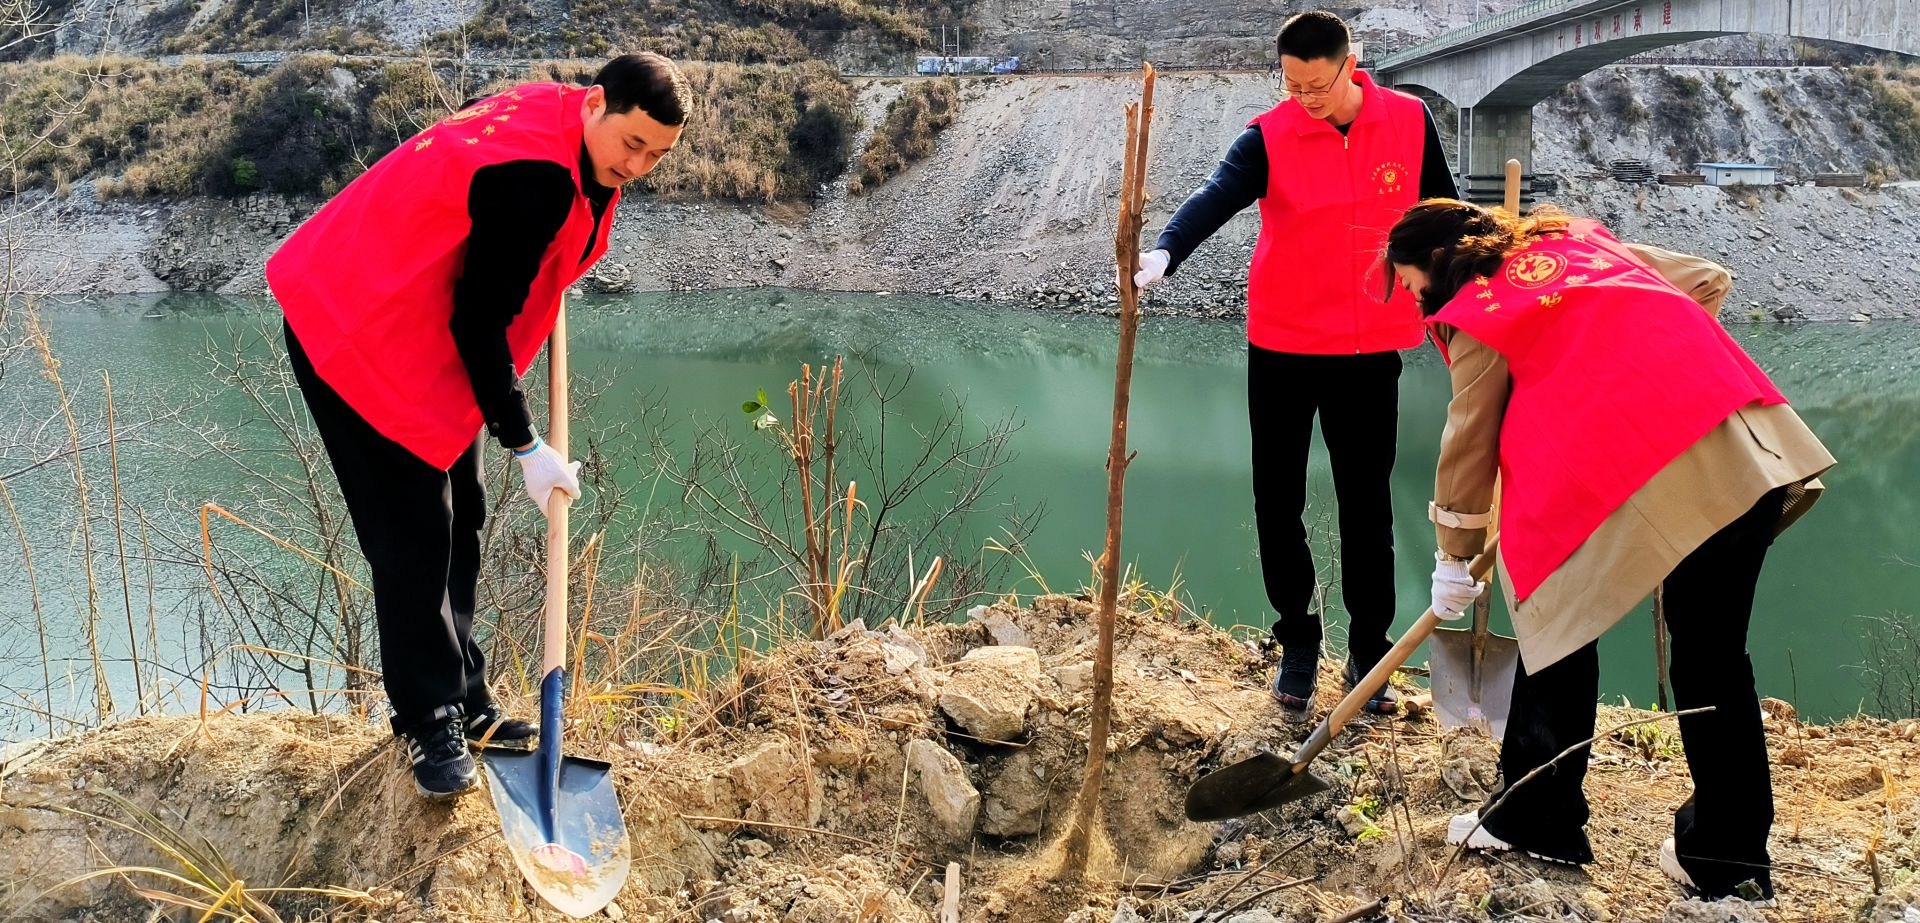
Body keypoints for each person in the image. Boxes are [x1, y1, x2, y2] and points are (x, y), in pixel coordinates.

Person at [266, 53, 691, 800]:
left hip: (409, 321)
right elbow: (478, 319)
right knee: (414, 536)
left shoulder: (566, 124)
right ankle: (429, 716)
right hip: (356, 327)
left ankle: (465, 694)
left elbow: (500, 256)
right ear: (595, 103)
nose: (641, 164)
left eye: (658, 153)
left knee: (463, 514)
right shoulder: (537, 178)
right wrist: (525, 442)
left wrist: (549, 268)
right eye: (634, 144)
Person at [1385, 199, 1835, 902]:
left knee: (1551, 613)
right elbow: (1707, 279)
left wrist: (1452, 552)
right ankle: (1730, 855)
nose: (1415, 306)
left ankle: (1538, 816)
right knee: (1714, 656)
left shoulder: (1480, 311)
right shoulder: (1581, 245)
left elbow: (1468, 438)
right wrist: (1623, 368)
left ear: (1441, 266)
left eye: (1412, 287)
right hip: (1742, 443)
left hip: (1657, 463)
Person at [1133, 11, 1458, 713]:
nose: (1304, 99)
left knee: (1366, 506)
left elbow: (1445, 214)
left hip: (1370, 349)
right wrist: (1166, 250)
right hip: (1281, 346)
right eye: (1292, 85)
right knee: (1277, 501)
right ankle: (1299, 641)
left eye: (1315, 85)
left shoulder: (1408, 121)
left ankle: (1369, 652)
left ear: (1350, 64)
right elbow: (1215, 194)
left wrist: (1478, 287)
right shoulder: (1269, 135)